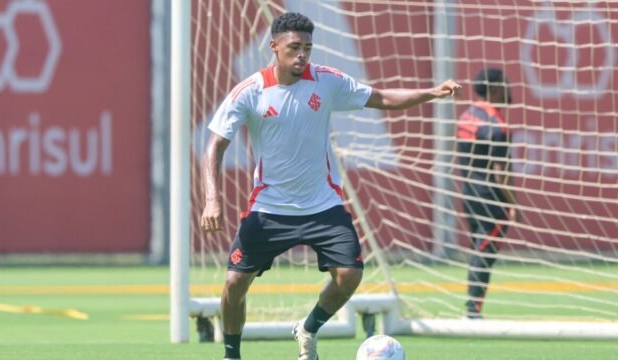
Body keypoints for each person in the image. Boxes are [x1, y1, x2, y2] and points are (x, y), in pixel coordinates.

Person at [201, 12, 461, 360]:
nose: (302, 55)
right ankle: (232, 355)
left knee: (350, 274)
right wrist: (211, 200)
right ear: (274, 47)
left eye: (308, 47)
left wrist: (430, 93)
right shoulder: (249, 92)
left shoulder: (327, 81)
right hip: (270, 209)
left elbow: (381, 98)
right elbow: (214, 145)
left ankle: (307, 328)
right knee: (234, 284)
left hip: (322, 205)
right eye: (294, 47)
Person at [456, 68, 518, 319]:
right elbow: (501, 174)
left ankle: (472, 309)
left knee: (478, 248)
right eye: (504, 83)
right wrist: (514, 204)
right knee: (485, 251)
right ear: (494, 88)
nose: (508, 88)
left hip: (469, 192)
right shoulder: (497, 125)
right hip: (491, 197)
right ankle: (473, 312)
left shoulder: (467, 116)